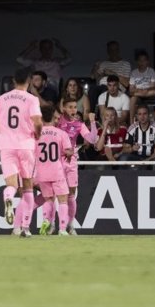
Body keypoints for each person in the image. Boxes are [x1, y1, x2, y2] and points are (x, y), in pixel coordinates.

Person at [0, 67, 43, 237]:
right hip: (26, 145)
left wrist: (5, 132)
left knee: (11, 184)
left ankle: (8, 198)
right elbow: (38, 122)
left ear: (13, 80)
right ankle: (25, 228)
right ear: (28, 81)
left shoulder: (2, 98)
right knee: (27, 187)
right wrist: (37, 135)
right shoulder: (32, 99)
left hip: (6, 146)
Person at [55, 97, 98, 235]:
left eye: (75, 107)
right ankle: (52, 223)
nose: (73, 110)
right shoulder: (57, 122)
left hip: (72, 161)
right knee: (56, 194)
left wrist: (92, 122)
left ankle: (71, 225)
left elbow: (92, 139)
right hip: (57, 160)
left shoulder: (79, 124)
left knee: (71, 195)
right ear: (64, 108)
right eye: (70, 107)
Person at [35, 105, 74, 237]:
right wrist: (66, 152)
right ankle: (62, 229)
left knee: (48, 200)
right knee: (63, 200)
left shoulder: (36, 134)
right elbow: (69, 151)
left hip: (41, 172)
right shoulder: (61, 133)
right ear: (53, 116)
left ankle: (46, 221)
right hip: (56, 171)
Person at [128, 52, 155, 123]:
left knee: (154, 92)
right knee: (132, 98)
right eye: (140, 61)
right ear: (137, 62)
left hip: (148, 92)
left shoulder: (151, 71)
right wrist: (140, 90)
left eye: (144, 60)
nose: (142, 62)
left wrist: (145, 90)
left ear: (147, 62)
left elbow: (153, 86)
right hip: (138, 94)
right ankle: (131, 121)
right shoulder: (134, 72)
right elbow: (131, 89)